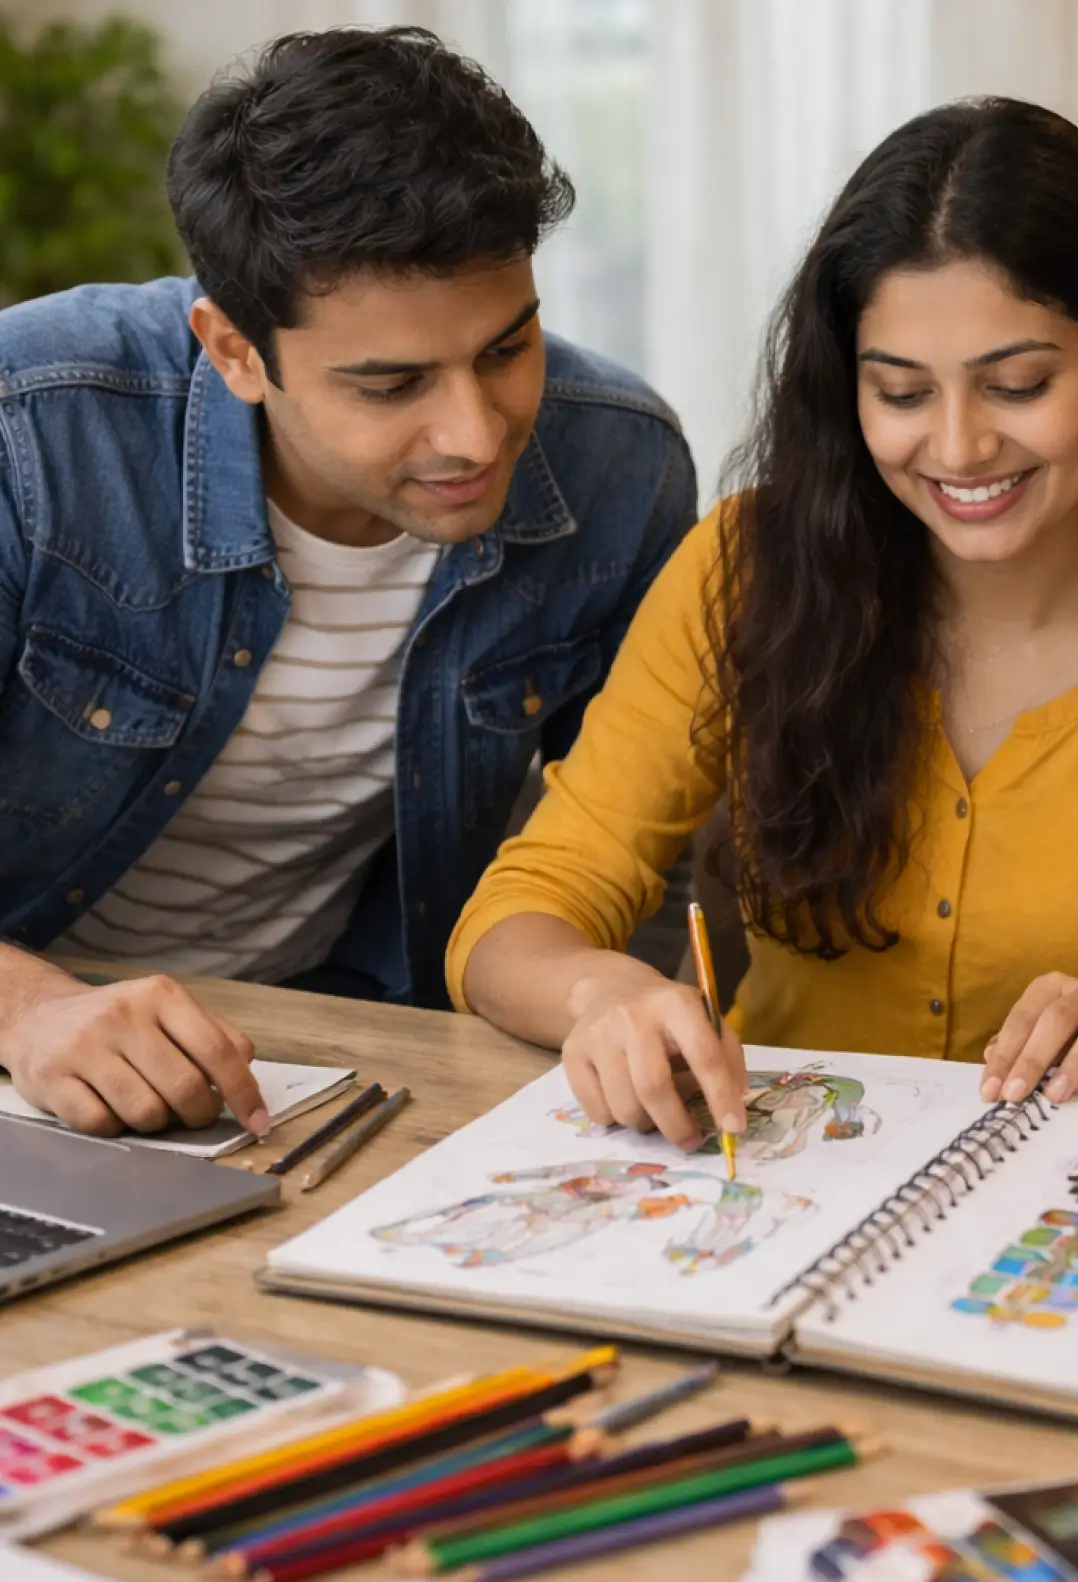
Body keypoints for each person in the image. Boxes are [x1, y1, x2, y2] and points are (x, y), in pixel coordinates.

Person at [449, 98, 1078, 1150]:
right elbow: (518, 910)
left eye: (1017, 385)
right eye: (902, 392)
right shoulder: (749, 567)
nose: (960, 447)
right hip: (764, 1183)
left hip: (1068, 1221)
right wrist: (598, 992)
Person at [0, 28, 695, 1137]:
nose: (475, 434)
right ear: (232, 350)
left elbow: (637, 848)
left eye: (509, 348)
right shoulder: (33, 432)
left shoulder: (621, 465)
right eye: (392, 385)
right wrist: (27, 1010)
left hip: (347, 1060)